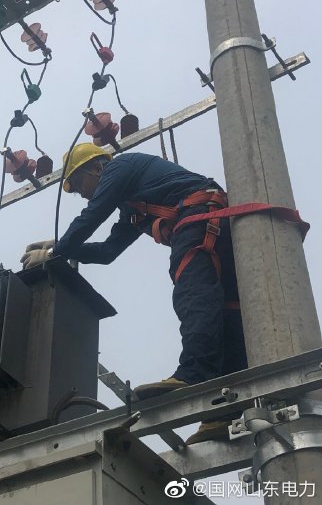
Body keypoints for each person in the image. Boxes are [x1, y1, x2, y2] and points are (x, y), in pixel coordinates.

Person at [20, 144, 246, 444]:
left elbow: (93, 214)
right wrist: (62, 249)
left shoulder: (119, 167)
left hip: (200, 217)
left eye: (79, 184)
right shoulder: (132, 209)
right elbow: (107, 252)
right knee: (226, 312)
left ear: (96, 168)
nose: (82, 194)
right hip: (209, 222)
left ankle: (192, 373)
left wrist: (56, 251)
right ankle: (224, 412)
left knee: (193, 294)